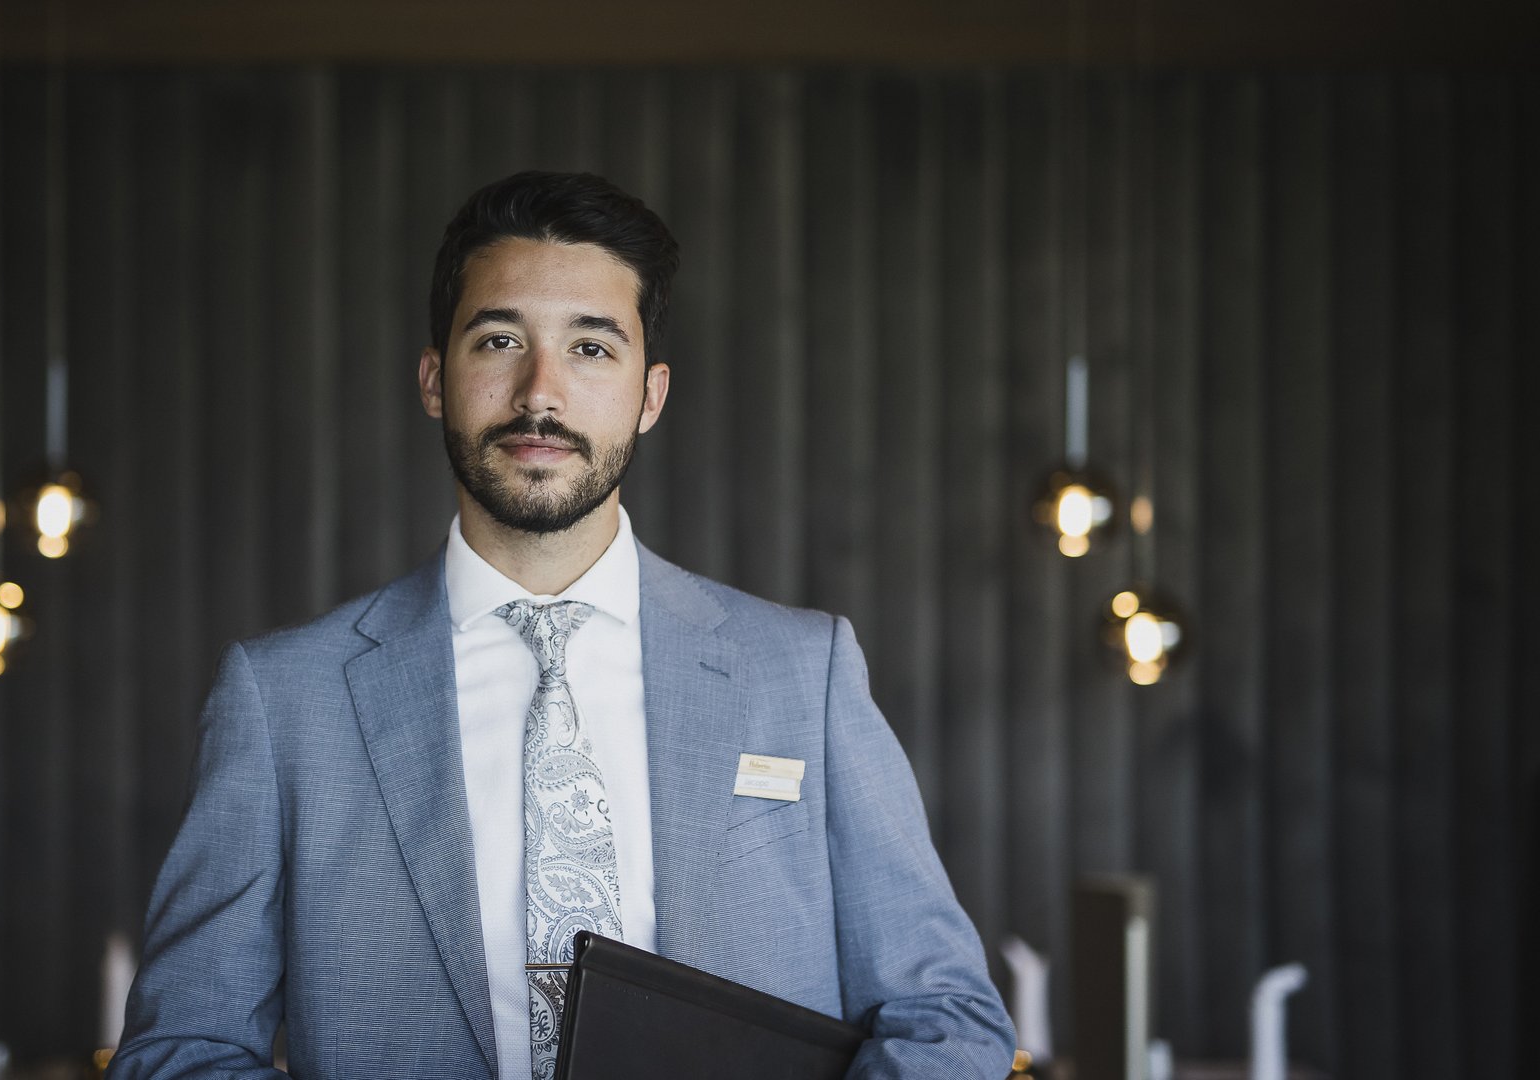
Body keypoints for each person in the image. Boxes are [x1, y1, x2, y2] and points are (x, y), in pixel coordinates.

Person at [109, 171, 1015, 1079]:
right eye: (499, 339)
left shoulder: (802, 672)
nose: (540, 392)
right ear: (434, 379)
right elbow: (182, 1048)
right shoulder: (283, 701)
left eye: (591, 348)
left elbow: (947, 1013)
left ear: (649, 396)